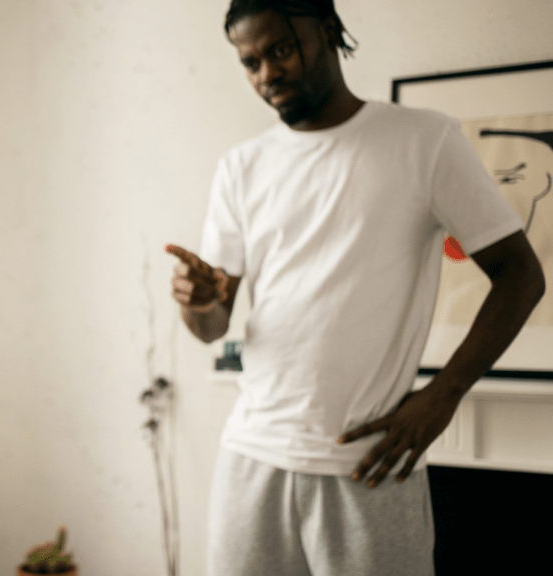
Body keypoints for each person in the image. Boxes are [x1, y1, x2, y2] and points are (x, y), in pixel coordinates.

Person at [166, 1, 545, 574]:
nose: (266, 73)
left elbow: (521, 276)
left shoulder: (425, 139)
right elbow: (213, 326)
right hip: (250, 456)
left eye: (280, 50)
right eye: (249, 62)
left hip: (372, 462)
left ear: (328, 31)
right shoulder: (241, 167)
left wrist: (442, 397)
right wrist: (199, 303)